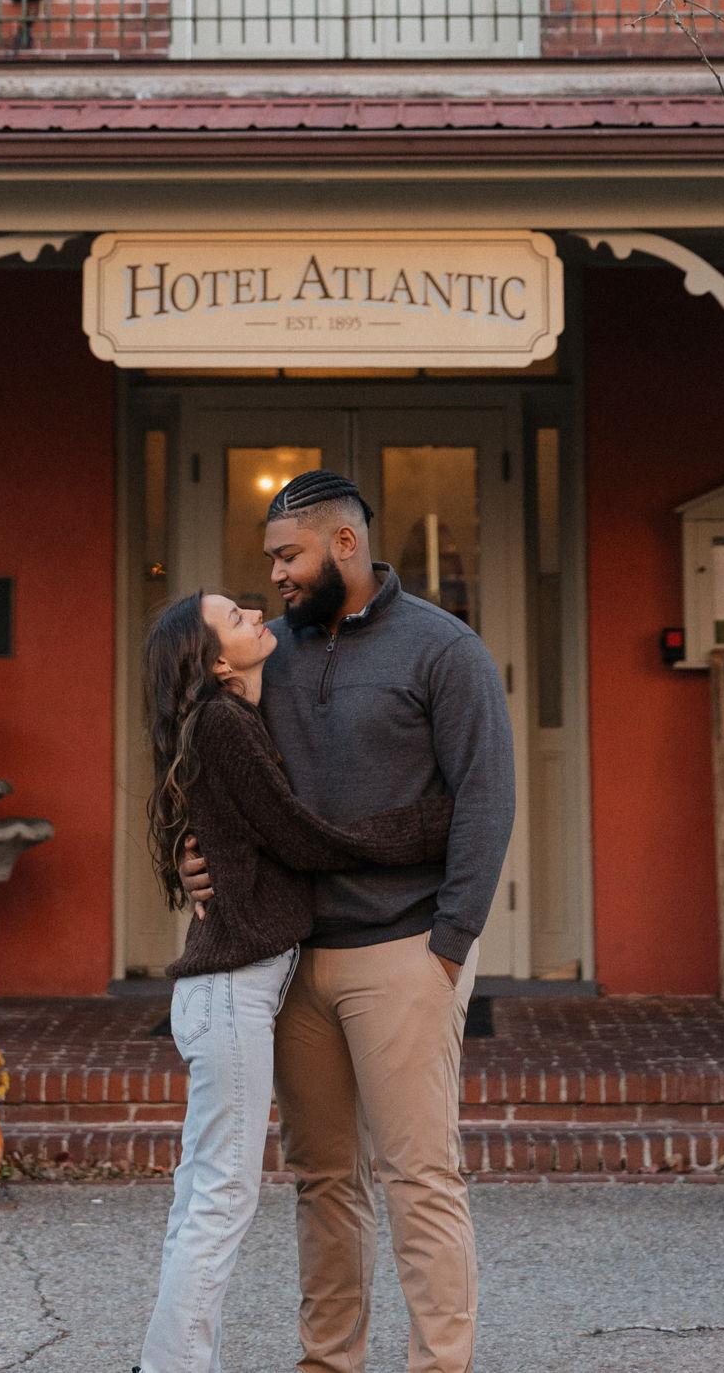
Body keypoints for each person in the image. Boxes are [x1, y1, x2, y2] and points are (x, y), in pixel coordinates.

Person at [179, 469, 515, 1373]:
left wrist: (450, 946)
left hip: (405, 952)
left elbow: (486, 799)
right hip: (292, 963)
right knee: (324, 1182)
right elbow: (216, 774)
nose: (275, 576)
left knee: (419, 1177)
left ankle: (439, 1366)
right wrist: (190, 858)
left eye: (287, 556)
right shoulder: (270, 655)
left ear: (344, 543)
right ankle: (328, 1363)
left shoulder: (445, 650)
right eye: (270, 559)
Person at [137, 588, 454, 1373]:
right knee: (221, 1198)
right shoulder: (223, 723)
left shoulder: (228, 721)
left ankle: (170, 1363)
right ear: (217, 662)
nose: (257, 614)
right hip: (230, 992)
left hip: (227, 991)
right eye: (236, 618)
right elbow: (301, 838)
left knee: (201, 1195)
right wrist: (421, 827)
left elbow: (238, 837)